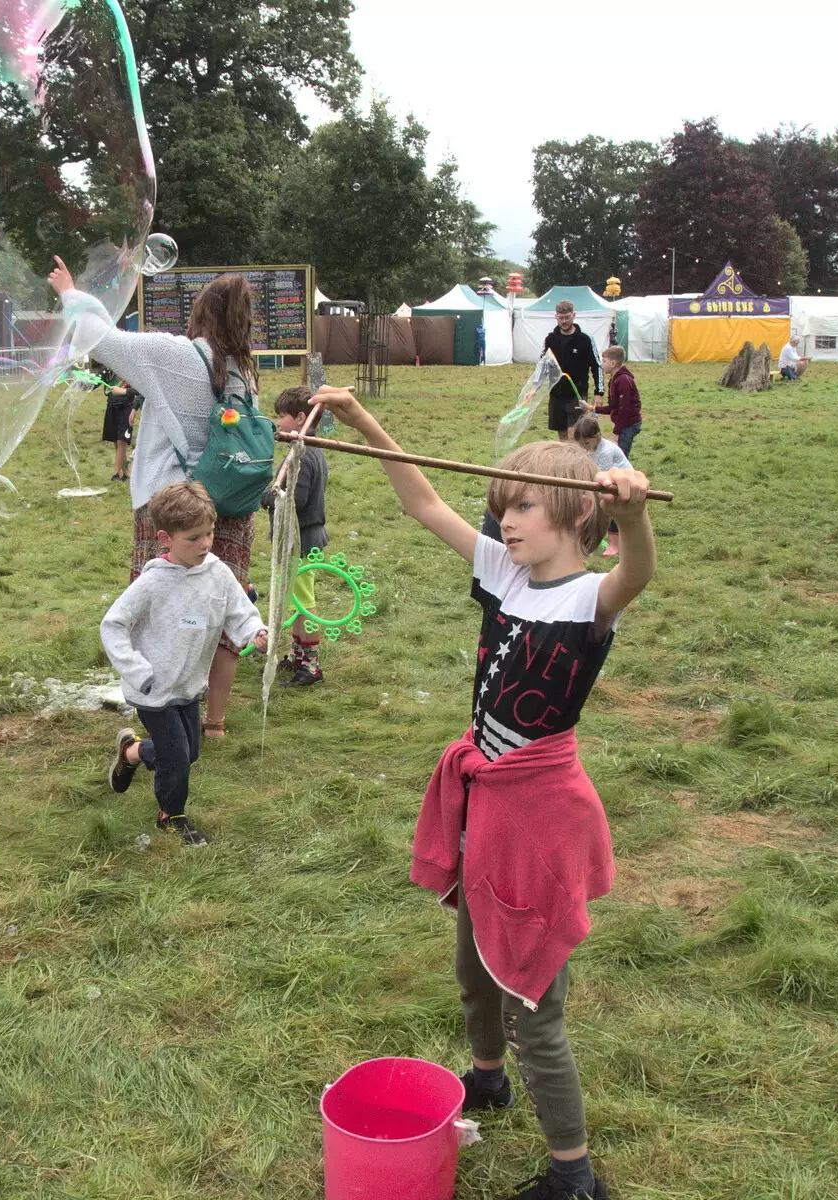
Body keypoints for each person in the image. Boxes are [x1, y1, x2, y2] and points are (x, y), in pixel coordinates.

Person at [316, 383, 656, 1200]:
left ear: (579, 517)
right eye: (502, 505)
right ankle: (486, 1074)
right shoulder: (505, 573)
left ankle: (574, 1174)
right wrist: (362, 419)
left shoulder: (591, 598)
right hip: (484, 803)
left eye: (525, 509)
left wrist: (635, 511)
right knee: (473, 967)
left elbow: (638, 568)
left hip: (538, 815)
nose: (506, 520)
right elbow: (425, 501)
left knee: (533, 998)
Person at [48, 255, 260, 738]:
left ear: (201, 313)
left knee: (160, 606)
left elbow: (101, 339)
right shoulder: (243, 373)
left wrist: (69, 293)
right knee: (225, 604)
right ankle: (214, 721)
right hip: (231, 503)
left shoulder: (176, 355)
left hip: (175, 503)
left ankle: (159, 705)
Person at [102, 482, 268, 845]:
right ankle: (171, 816)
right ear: (165, 538)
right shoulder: (152, 583)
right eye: (193, 538)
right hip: (152, 688)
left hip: (189, 685)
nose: (205, 544)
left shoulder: (217, 572)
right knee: (177, 758)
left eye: (208, 533)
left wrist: (255, 631)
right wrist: (137, 671)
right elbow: (113, 625)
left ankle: (131, 752)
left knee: (189, 752)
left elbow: (239, 610)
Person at [263, 385, 329, 686]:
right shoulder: (304, 448)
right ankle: (297, 655)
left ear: (301, 417)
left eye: (283, 416)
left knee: (303, 604)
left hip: (302, 541)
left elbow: (296, 499)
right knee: (294, 602)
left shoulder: (303, 454)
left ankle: (311, 666)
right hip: (298, 540)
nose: (278, 422)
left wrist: (270, 496)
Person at [572, 416, 631, 557]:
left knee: (608, 509)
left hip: (621, 483)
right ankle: (590, 540)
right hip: (606, 481)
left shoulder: (606, 452)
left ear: (597, 437)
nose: (583, 447)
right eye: (580, 444)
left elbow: (600, 475)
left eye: (586, 443)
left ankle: (614, 545)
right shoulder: (592, 447)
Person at [543, 301, 602, 441]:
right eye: (561, 317)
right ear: (556, 316)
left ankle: (578, 461)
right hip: (556, 394)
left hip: (576, 393)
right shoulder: (550, 339)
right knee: (562, 435)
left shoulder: (585, 339)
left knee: (573, 433)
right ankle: (565, 462)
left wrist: (599, 393)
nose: (564, 321)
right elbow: (542, 365)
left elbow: (597, 366)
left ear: (574, 316)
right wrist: (534, 388)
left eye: (567, 317)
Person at [593, 347, 641, 459]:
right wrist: (592, 408)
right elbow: (613, 407)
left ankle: (626, 475)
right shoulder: (614, 379)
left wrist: (616, 433)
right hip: (623, 424)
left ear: (613, 363)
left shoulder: (623, 380)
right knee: (616, 456)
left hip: (628, 424)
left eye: (604, 361)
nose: (601, 364)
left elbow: (624, 410)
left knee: (620, 458)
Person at [100, 366, 137, 481]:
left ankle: (115, 474)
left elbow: (141, 389)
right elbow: (94, 383)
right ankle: (126, 473)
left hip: (127, 408)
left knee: (122, 441)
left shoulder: (130, 366)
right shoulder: (106, 368)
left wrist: (123, 391)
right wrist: (84, 380)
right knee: (117, 442)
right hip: (111, 407)